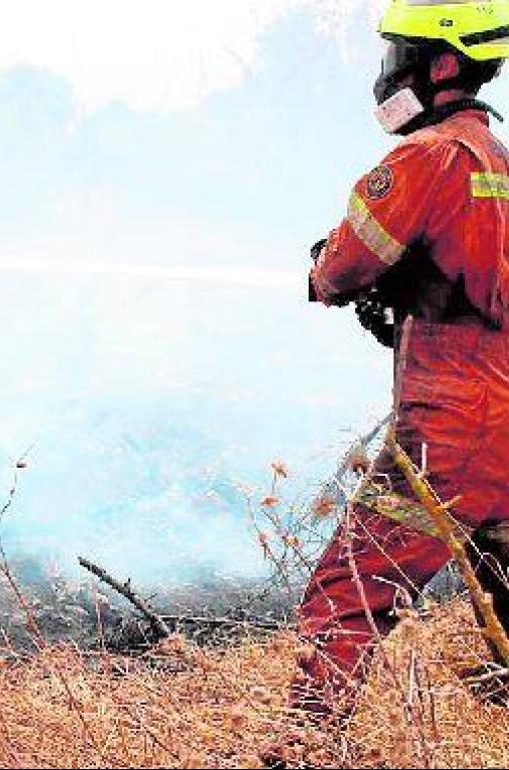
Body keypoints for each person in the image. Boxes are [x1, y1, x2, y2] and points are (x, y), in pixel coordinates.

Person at [299, 0, 509, 731]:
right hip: (503, 410)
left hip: (453, 424)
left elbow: (351, 260)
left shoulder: (430, 155)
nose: (391, 71)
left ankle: (306, 745)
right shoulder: (498, 162)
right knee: (504, 596)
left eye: (402, 54)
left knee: (346, 591)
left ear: (444, 64)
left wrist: (322, 271)